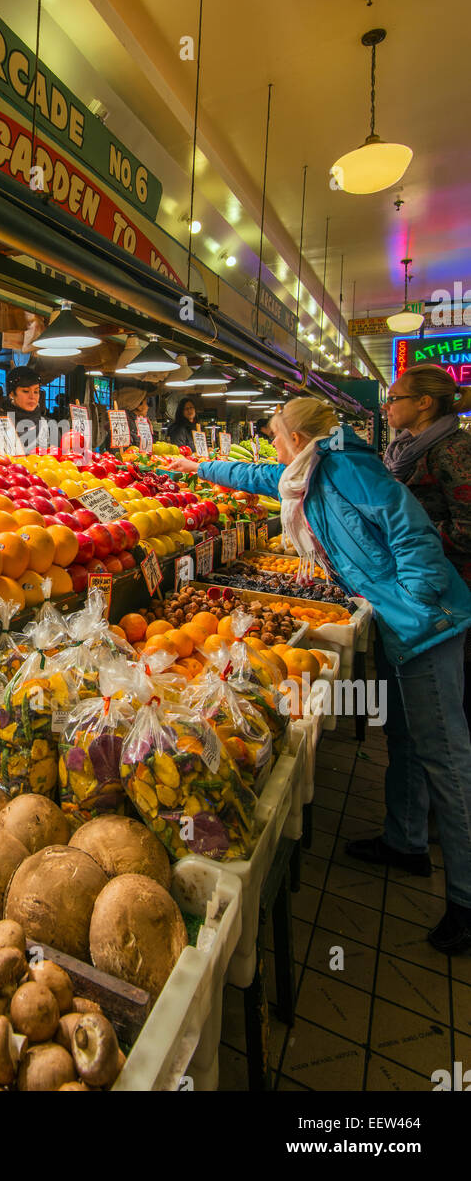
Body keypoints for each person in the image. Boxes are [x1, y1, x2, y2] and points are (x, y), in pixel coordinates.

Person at [173, 396, 471, 955]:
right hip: (396, 619)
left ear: (296, 435)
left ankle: (467, 899)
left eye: (275, 436)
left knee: (446, 759)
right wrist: (202, 469)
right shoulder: (314, 467)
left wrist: (411, 605)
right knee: (403, 736)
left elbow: (413, 536)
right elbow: (264, 475)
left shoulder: (348, 466)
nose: (273, 446)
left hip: (425, 625)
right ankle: (405, 841)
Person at [383, 366, 471, 732]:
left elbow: (467, 529)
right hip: (415, 584)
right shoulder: (405, 449)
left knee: (442, 711)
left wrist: (406, 535)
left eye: (393, 399)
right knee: (411, 717)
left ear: (424, 403)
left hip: (448, 590)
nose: (386, 407)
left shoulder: (454, 450)